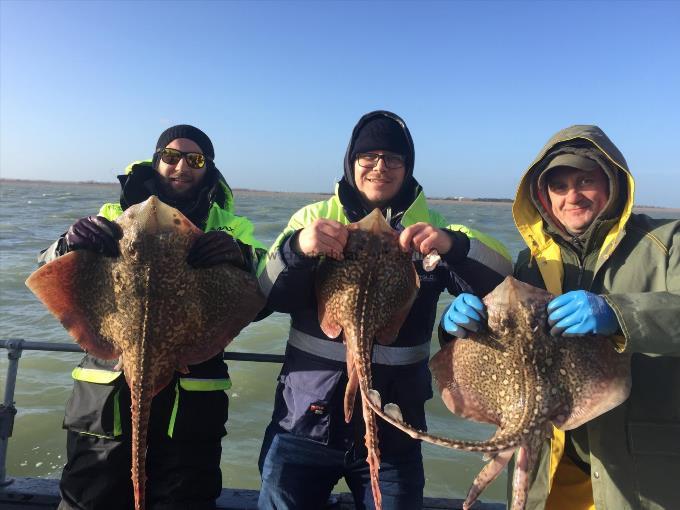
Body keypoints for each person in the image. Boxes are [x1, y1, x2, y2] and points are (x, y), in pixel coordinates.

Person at [256, 110, 513, 509]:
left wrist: (454, 248)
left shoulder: (434, 226)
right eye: (369, 156)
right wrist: (298, 248)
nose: (380, 167)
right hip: (302, 423)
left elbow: (504, 282)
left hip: (396, 427)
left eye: (393, 158)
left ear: (407, 167)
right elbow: (266, 295)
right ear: (351, 162)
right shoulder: (311, 219)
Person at [440, 125, 680, 510]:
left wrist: (618, 314)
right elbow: (511, 352)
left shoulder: (665, 243)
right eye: (559, 186)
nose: (573, 197)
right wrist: (461, 330)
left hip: (636, 470)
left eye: (586, 180)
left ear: (614, 183)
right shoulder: (531, 263)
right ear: (543, 195)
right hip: (549, 465)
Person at [39, 124, 266, 510]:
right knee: (89, 498)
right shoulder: (114, 215)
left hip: (190, 403)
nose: (181, 166)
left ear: (208, 168)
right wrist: (67, 242)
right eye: (171, 156)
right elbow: (46, 267)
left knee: (184, 499)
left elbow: (267, 288)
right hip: (107, 392)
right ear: (156, 159)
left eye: (195, 160)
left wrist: (242, 255)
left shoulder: (229, 227)